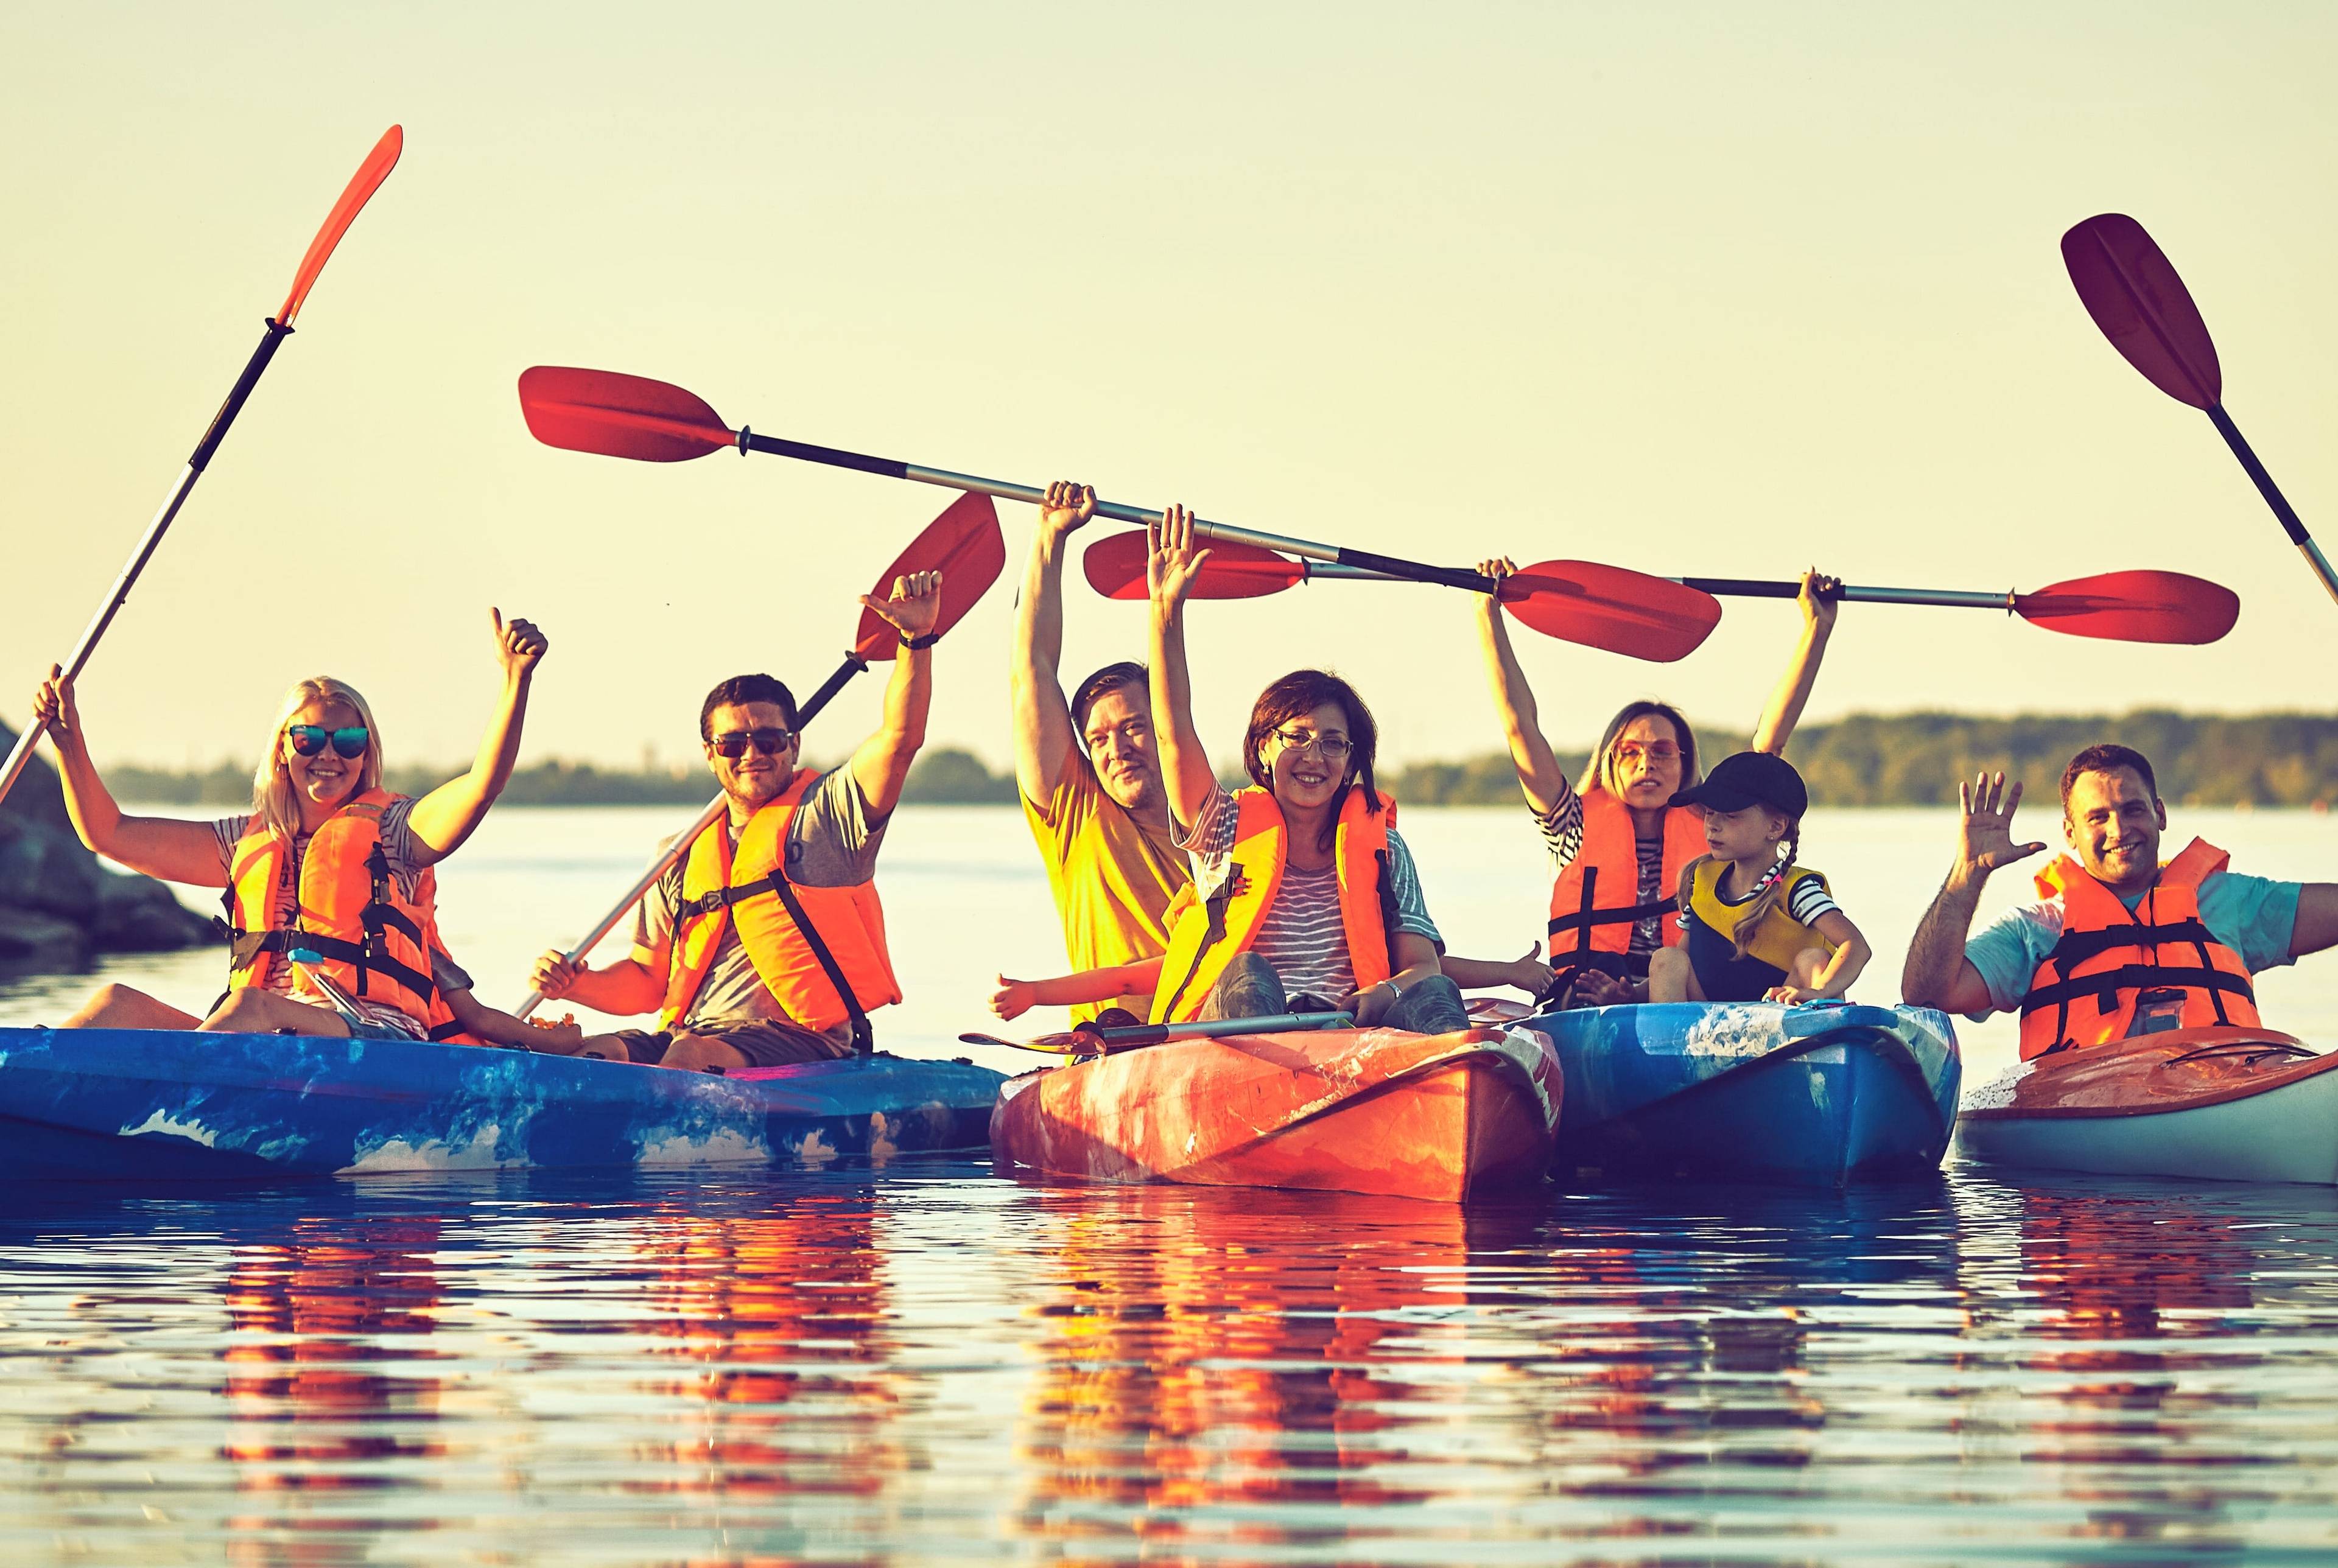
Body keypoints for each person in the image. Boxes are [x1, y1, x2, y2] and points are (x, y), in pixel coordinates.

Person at [32, 610, 550, 1038]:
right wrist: (67, 740)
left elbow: (482, 786)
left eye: (347, 742)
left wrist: (515, 683)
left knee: (252, 1008)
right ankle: (28, 1091)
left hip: (375, 1038)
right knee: (115, 1002)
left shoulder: (394, 832)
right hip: (260, 1043)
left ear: (365, 752)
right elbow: (109, 834)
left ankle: (184, 1095)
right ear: (283, 748)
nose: (329, 755)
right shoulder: (243, 842)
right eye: (309, 740)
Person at [527, 573, 943, 1073]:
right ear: (710, 754)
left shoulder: (826, 819)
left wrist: (915, 641)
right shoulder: (678, 852)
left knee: (688, 1055)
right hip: (693, 1035)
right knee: (591, 1055)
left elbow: (899, 741)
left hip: (806, 1042)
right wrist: (576, 985)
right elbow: (646, 981)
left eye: (768, 741)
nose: (752, 755)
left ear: (794, 745)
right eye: (732, 745)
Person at [1143, 507, 1469, 1031]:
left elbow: (1422, 966)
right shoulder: (1222, 828)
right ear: (1264, 749)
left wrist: (1384, 992)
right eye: (1296, 738)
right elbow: (1173, 734)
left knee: (1435, 991)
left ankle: (1457, 1095)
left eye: (1334, 744)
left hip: (1350, 1042)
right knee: (1248, 972)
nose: (1314, 757)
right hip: (1240, 1044)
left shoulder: (1387, 850)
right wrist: (1165, 611)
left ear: (1351, 763)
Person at [1473, 558, 1841, 1006]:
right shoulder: (1570, 823)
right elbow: (1519, 727)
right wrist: (1486, 612)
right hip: (1589, 995)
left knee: (1677, 962)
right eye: (1630, 751)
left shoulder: (1715, 822)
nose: (1647, 763)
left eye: (1663, 751)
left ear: (1684, 762)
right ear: (1611, 761)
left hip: (1683, 993)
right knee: (1598, 983)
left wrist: (1815, 632)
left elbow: (1768, 749)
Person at [1900, 744, 2338, 1054]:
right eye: (2098, 818)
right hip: (2089, 1114)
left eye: (2133, 810)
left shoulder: (2229, 901)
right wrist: (1968, 874)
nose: (2119, 830)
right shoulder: (2037, 929)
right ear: (2070, 834)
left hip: (2226, 1092)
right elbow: (1928, 995)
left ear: (2160, 814)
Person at [1009, 480, 1192, 1021]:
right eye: (1097, 739)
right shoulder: (1077, 813)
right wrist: (1050, 540)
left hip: (1217, 1043)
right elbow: (1032, 671)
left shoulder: (1225, 824)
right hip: (1112, 1055)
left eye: (1134, 727)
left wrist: (1168, 607)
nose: (1116, 749)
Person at [1647, 751, 1870, 1004]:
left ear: (1776, 827)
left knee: (1814, 960)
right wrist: (1628, 994)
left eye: (1731, 816)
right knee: (1668, 959)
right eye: (1709, 813)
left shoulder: (1797, 891)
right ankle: (1667, 1044)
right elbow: (1685, 958)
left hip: (1779, 1020)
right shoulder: (1702, 880)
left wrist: (1818, 992)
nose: (1713, 825)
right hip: (1705, 1024)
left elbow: (1857, 946)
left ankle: (1823, 1037)